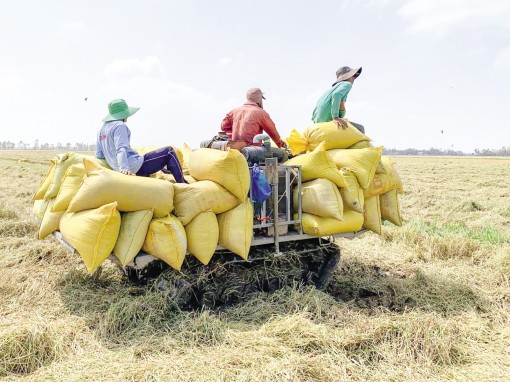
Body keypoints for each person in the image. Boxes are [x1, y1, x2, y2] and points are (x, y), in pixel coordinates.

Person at [96, 99, 187, 183]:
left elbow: (99, 155)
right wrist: (124, 169)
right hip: (136, 167)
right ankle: (183, 184)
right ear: (123, 114)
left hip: (120, 168)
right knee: (169, 151)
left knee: (159, 164)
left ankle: (167, 171)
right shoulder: (120, 126)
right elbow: (121, 149)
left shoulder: (101, 131)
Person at [220, 88, 287, 148]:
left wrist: (236, 133)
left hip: (236, 149)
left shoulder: (233, 111)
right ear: (259, 99)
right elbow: (272, 132)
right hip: (253, 150)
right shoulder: (261, 113)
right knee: (283, 154)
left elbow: (223, 127)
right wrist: (280, 144)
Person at [311, 66, 365, 133]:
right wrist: (335, 118)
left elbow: (341, 115)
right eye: (353, 75)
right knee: (360, 128)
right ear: (348, 76)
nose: (354, 78)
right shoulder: (347, 84)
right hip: (328, 121)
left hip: (317, 122)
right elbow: (336, 94)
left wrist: (341, 109)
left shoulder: (331, 90)